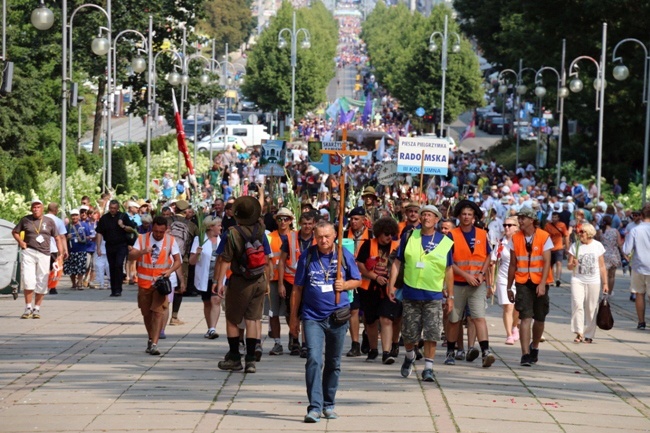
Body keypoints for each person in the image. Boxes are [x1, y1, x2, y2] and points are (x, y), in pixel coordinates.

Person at [289, 220, 362, 423]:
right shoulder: (309, 255)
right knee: (313, 358)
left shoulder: (343, 255)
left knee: (333, 362)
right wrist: (294, 318)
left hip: (338, 316)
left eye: (327, 236)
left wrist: (345, 284)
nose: (323, 240)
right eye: (319, 236)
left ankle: (329, 404)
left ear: (334, 236)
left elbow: (358, 280)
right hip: (313, 316)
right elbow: (297, 289)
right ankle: (314, 406)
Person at [387, 204, 453, 383]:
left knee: (432, 333)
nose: (426, 218)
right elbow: (397, 263)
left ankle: (429, 368)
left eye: (430, 215)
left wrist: (450, 295)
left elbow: (448, 270)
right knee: (409, 334)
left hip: (433, 295)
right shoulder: (409, 236)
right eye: (424, 215)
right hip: (411, 293)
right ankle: (409, 357)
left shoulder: (445, 241)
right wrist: (391, 285)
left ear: (437, 219)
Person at [213, 196, 272, 374]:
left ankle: (235, 357)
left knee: (232, 319)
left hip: (240, 281)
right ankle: (251, 360)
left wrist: (219, 282)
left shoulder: (232, 233)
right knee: (253, 319)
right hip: (259, 279)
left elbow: (224, 260)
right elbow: (267, 258)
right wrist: (267, 281)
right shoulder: (261, 230)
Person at [445, 200, 495, 368]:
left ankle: (486, 352)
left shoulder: (482, 233)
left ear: (474, 217)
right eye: (463, 214)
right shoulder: (452, 234)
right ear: (459, 216)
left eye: (470, 214)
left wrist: (482, 274)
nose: (466, 217)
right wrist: (466, 275)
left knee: (479, 317)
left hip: (477, 283)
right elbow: (448, 262)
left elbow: (488, 255)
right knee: (454, 319)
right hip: (458, 283)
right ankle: (451, 351)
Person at [506, 206, 554, 367]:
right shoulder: (515, 238)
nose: (520, 221)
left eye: (523, 218)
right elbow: (513, 264)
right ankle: (525, 353)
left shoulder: (544, 236)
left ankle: (535, 347)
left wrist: (542, 284)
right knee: (525, 317)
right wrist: (508, 286)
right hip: (522, 282)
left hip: (540, 282)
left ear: (532, 220)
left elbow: (547, 261)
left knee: (539, 318)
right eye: (519, 218)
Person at [129, 216, 183, 356]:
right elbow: (131, 256)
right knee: (147, 313)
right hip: (144, 283)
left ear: (166, 230)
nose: (158, 234)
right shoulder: (142, 239)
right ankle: (150, 337)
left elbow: (178, 261)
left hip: (160, 283)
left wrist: (169, 271)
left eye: (161, 231)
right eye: (156, 231)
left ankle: (154, 343)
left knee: (158, 312)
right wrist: (142, 252)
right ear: (152, 228)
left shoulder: (170, 241)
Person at [355, 217, 401, 362]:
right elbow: (360, 264)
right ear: (379, 233)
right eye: (386, 233)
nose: (389, 237)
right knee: (371, 321)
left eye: (391, 234)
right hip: (369, 289)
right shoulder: (368, 245)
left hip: (390, 289)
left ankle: (386, 353)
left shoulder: (397, 246)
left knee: (386, 319)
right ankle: (373, 349)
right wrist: (375, 276)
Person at [13, 199, 63, 319]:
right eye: (34, 207)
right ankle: (28, 307)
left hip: (44, 253)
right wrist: (21, 242)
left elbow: (57, 238)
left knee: (42, 280)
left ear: (42, 208)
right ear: (31, 209)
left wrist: (60, 254)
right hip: (29, 252)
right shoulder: (25, 220)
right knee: (28, 279)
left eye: (38, 207)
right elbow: (15, 232)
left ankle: (37, 309)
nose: (36, 209)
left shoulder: (49, 221)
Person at [279, 211, 318, 356]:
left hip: (310, 281)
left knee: (307, 312)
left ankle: (305, 344)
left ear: (314, 224)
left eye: (310, 224)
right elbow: (282, 261)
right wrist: (281, 284)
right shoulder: (290, 238)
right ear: (300, 224)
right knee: (292, 312)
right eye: (305, 224)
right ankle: (294, 338)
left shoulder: (317, 238)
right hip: (291, 280)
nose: (307, 227)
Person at [566, 223, 608, 343]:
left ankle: (589, 334)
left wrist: (605, 283)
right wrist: (572, 264)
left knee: (591, 307)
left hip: (593, 280)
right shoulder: (575, 246)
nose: (579, 234)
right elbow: (569, 266)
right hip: (577, 279)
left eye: (582, 232)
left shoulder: (597, 246)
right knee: (577, 304)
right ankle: (579, 332)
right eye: (579, 232)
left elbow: (602, 266)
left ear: (589, 233)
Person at [266, 207, 296, 355]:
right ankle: (277, 343)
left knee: (292, 312)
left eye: (286, 219)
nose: (283, 222)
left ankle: (293, 338)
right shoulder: (270, 237)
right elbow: (267, 259)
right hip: (273, 279)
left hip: (292, 280)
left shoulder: (295, 237)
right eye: (279, 219)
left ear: (291, 221)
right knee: (274, 313)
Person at [189, 216, 223, 339]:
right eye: (218, 225)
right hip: (205, 277)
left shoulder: (223, 239)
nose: (221, 227)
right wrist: (197, 253)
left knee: (216, 300)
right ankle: (210, 328)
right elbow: (192, 262)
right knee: (207, 302)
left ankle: (213, 328)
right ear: (210, 227)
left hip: (218, 277)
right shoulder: (200, 239)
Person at [345, 206, 372, 357]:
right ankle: (355, 343)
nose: (353, 222)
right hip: (351, 279)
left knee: (368, 313)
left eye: (356, 219)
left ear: (364, 220)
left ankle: (367, 335)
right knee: (353, 310)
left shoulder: (371, 236)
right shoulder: (344, 235)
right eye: (351, 219)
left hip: (367, 279)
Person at [96, 200, 138, 297]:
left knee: (118, 265)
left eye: (114, 208)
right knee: (112, 266)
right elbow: (99, 232)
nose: (112, 210)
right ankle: (113, 289)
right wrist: (98, 247)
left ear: (118, 208)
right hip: (110, 245)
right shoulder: (104, 218)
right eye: (111, 208)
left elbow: (132, 229)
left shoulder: (123, 216)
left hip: (121, 245)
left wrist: (122, 225)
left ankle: (118, 289)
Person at [167, 200, 198, 326]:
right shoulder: (192, 226)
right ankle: (174, 316)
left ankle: (161, 312)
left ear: (175, 209)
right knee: (180, 287)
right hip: (182, 260)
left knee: (165, 285)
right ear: (186, 211)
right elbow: (198, 239)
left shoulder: (167, 221)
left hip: (166, 257)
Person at [490, 217, 520, 345]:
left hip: (519, 278)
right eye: (505, 225)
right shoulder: (501, 243)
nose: (506, 227)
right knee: (508, 306)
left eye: (510, 225)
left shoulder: (521, 242)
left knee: (517, 307)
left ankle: (515, 326)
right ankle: (509, 334)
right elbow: (493, 262)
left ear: (517, 227)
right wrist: (492, 282)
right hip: (503, 278)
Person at [622, 203, 650, 329]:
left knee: (639, 294)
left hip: (639, 265)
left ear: (641, 215)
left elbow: (627, 250)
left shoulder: (635, 230)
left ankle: (641, 322)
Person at [63, 209, 92, 290]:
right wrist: (67, 238)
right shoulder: (67, 226)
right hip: (71, 250)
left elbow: (89, 236)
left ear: (78, 216)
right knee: (71, 268)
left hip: (81, 249)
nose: (74, 217)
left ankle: (79, 282)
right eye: (73, 215)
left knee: (81, 267)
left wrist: (84, 238)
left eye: (76, 215)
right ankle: (74, 283)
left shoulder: (84, 225)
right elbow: (62, 238)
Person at [44, 202, 68, 295]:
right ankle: (52, 287)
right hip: (54, 249)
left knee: (43, 268)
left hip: (42, 248)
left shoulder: (42, 219)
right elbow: (62, 237)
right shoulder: (58, 221)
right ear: (56, 210)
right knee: (54, 269)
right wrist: (65, 250)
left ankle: (43, 286)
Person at [544, 212, 569, 287]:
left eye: (555, 217)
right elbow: (544, 236)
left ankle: (558, 279)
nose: (554, 219)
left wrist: (567, 247)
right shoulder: (548, 225)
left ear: (558, 218)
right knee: (550, 264)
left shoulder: (562, 225)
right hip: (550, 247)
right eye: (553, 217)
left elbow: (566, 235)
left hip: (559, 247)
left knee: (559, 263)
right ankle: (551, 280)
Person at [600, 215, 623, 296]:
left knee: (604, 274)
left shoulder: (601, 231)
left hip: (604, 254)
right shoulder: (615, 231)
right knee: (612, 276)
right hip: (614, 254)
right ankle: (610, 292)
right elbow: (620, 244)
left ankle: (604, 290)